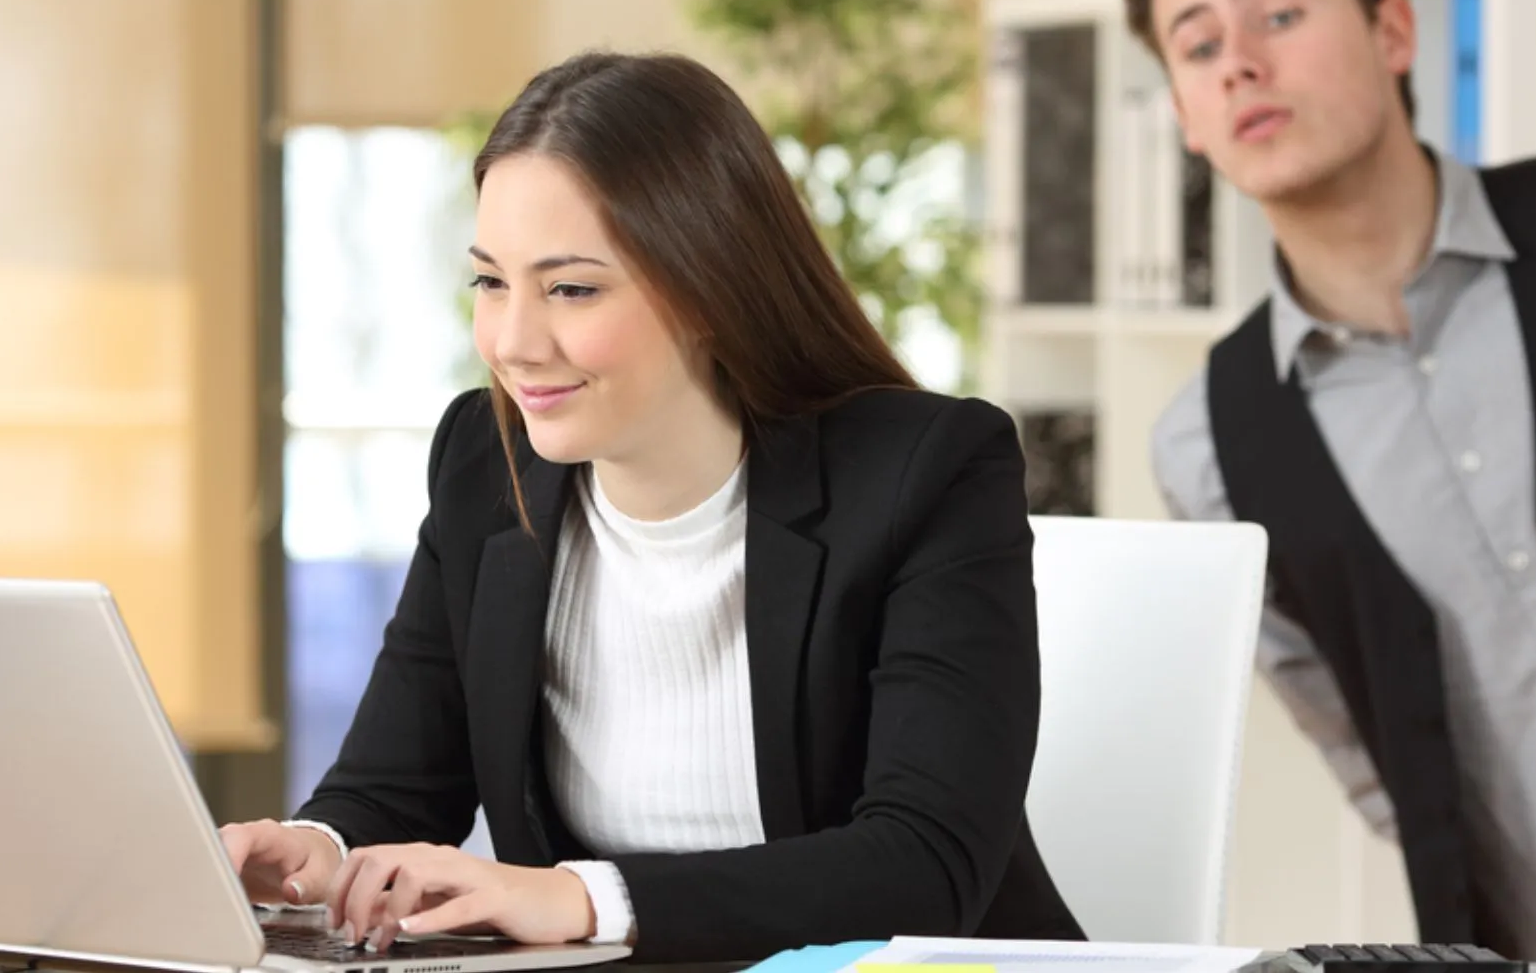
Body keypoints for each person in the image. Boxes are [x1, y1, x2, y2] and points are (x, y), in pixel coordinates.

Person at [217, 51, 1084, 964]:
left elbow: (925, 864)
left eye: (571, 288)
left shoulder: (926, 470)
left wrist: (580, 897)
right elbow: (397, 784)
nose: (513, 342)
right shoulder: (485, 459)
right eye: (490, 282)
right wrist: (322, 852)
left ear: (710, 285)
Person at [1127, 0, 1536, 961]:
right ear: (1187, 119)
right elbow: (1369, 753)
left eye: (1281, 16)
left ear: (1394, 32)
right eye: (1198, 44)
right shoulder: (1206, 447)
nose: (1239, 63)